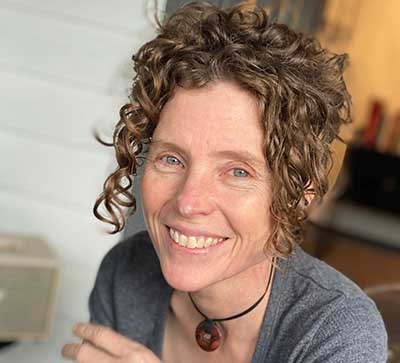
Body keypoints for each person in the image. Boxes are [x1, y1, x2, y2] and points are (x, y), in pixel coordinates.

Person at [61, 2, 388, 362]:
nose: (188, 202)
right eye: (171, 158)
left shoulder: (335, 331)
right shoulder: (126, 274)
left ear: (300, 192)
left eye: (237, 171)